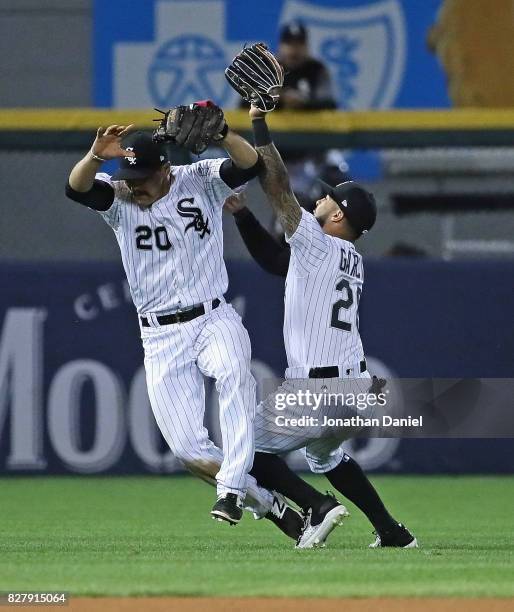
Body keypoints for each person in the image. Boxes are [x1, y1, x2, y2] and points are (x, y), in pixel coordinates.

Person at [64, 120, 303, 533]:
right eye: (129, 175)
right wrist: (96, 157)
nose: (133, 184)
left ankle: (229, 491)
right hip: (159, 335)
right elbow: (77, 188)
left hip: (212, 316)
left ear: (165, 169)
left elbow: (248, 165)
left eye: (142, 176)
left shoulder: (199, 179)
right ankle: (269, 504)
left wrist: (226, 133)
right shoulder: (119, 199)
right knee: (188, 452)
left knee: (233, 376)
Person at [224, 106, 418, 548]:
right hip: (360, 388)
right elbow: (277, 262)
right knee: (324, 454)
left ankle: (317, 506)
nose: (319, 198)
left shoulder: (315, 242)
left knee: (243, 448)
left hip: (318, 390)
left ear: (337, 217)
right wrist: (242, 214)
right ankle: (391, 532)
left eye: (328, 197)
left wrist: (258, 124)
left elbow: (276, 183)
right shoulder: (350, 258)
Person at [277, 22, 337, 111]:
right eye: (290, 44)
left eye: (299, 44)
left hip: (311, 124)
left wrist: (304, 102)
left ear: (307, 46)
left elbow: (329, 103)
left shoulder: (316, 69)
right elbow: (253, 102)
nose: (294, 49)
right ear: (280, 46)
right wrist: (281, 99)